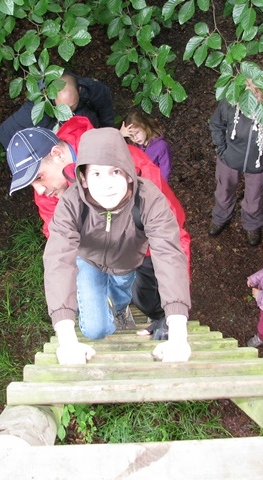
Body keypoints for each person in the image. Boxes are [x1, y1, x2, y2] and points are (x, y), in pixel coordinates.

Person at [5, 116, 191, 339]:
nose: (40, 191)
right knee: (95, 327)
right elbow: (58, 249)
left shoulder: (128, 164)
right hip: (92, 249)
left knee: (149, 298)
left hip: (140, 243)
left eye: (39, 177)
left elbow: (172, 239)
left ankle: (150, 308)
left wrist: (173, 316)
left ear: (57, 155)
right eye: (32, 184)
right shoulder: (48, 192)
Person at [42, 128, 191, 364]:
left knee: (121, 294)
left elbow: (169, 254)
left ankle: (120, 309)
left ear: (129, 173)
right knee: (95, 330)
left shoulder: (148, 198)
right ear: (83, 178)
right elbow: (58, 261)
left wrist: (178, 331)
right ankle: (105, 307)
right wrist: (68, 341)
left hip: (127, 260)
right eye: (97, 174)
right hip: (89, 259)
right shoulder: (71, 204)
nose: (107, 184)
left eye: (115, 172)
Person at [208, 78, 263, 246]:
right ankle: (220, 217)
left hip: (259, 164)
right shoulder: (231, 102)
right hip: (229, 159)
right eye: (248, 85)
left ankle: (252, 224)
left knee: (255, 197)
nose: (252, 91)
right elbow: (216, 124)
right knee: (223, 190)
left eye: (257, 88)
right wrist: (221, 149)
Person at [0, 72, 115, 148]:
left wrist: (106, 131)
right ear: (51, 97)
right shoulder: (36, 108)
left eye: (72, 105)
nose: (67, 114)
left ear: (79, 90)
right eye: (61, 108)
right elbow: (5, 133)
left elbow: (105, 106)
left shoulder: (90, 89)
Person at [120, 110, 173, 182]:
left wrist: (159, 189)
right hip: (140, 183)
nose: (135, 138)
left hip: (155, 184)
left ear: (145, 127)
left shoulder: (161, 146)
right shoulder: (134, 145)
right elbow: (114, 150)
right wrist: (120, 135)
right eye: (131, 136)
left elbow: (165, 171)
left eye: (137, 133)